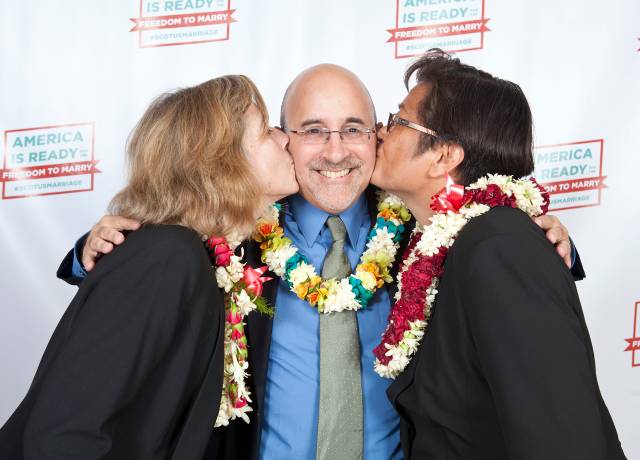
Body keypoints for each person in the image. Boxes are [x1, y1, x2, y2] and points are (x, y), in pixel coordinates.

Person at [57, 65, 582, 460]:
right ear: (283, 138)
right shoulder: (233, 234)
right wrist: (94, 249)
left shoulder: (427, 235)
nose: (335, 151)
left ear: (377, 135)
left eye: (354, 128)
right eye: (312, 130)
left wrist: (549, 238)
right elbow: (157, 259)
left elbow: (501, 268)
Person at [0, 75, 298, 459]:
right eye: (266, 131)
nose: (284, 138)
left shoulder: (198, 255)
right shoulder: (167, 257)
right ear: (225, 163)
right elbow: (64, 435)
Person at [371, 50, 625, 459]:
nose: (381, 132)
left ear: (444, 156)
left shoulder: (500, 247)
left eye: (398, 120)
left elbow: (560, 435)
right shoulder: (439, 242)